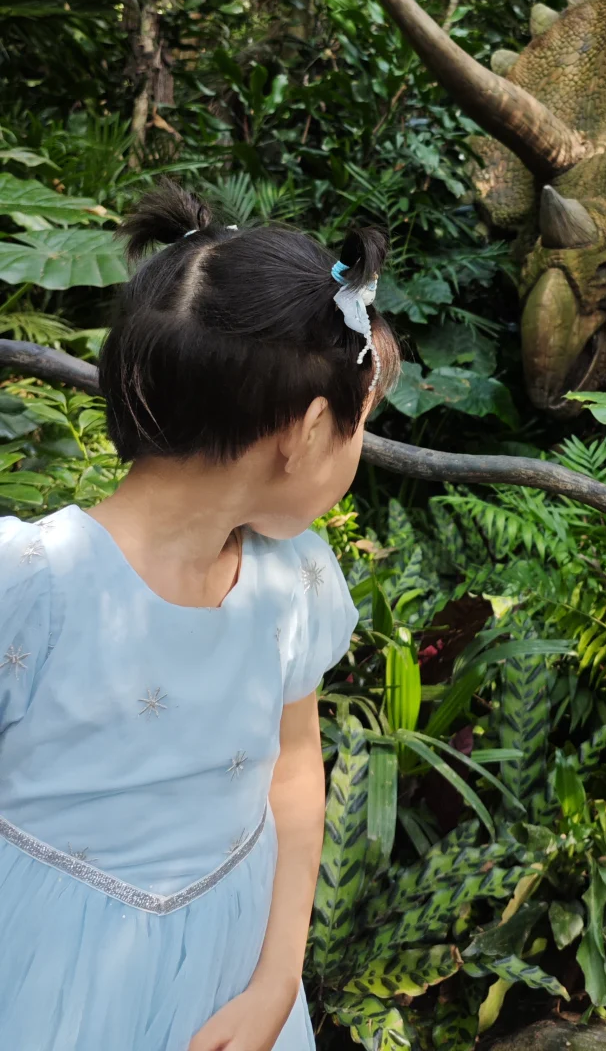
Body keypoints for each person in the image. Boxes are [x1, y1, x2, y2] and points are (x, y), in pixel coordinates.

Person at [0, 181, 399, 1050]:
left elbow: (293, 767)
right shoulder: (30, 586)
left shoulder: (293, 583)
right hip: (43, 976)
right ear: (307, 431)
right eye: (360, 426)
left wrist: (278, 979)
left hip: (231, 968)